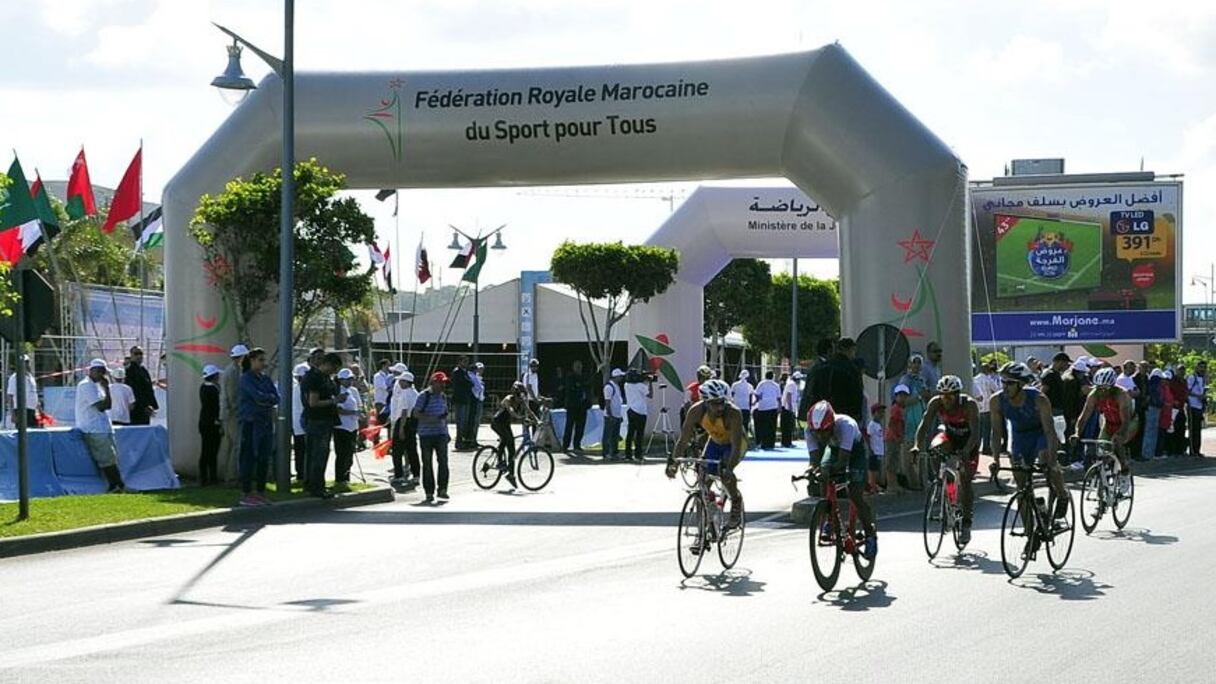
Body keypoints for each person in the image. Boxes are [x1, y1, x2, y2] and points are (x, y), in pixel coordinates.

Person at [990, 362, 1069, 533]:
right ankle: (1029, 533)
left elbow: (1049, 431)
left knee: (1046, 460)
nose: (1005, 387)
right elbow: (996, 433)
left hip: (1041, 433)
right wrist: (995, 460)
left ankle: (1062, 494)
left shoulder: (1039, 399)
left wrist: (1053, 460)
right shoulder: (996, 400)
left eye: (1010, 383)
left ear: (1021, 384)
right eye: (1002, 382)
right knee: (1021, 486)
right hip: (1020, 438)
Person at [666, 379, 746, 529]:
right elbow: (683, 440)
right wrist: (673, 463)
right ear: (706, 402)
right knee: (703, 477)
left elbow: (736, 446)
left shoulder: (734, 413)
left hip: (734, 444)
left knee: (724, 473)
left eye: (722, 402)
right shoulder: (696, 411)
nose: (720, 407)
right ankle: (705, 528)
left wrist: (728, 469)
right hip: (715, 442)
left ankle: (736, 501)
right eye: (715, 403)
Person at [911, 375, 981, 544]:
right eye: (943, 394)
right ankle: (942, 482)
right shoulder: (936, 402)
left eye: (949, 395)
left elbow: (976, 433)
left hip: (969, 440)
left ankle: (966, 523)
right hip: (949, 436)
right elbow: (924, 424)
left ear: (957, 394)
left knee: (965, 480)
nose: (946, 399)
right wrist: (916, 445)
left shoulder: (969, 405)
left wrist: (966, 451)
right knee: (935, 448)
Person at [804, 400, 877, 558]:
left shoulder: (846, 426)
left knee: (855, 494)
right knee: (823, 476)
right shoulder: (810, 430)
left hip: (855, 451)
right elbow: (814, 458)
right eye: (817, 432)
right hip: (834, 448)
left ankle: (871, 535)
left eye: (824, 431)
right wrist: (812, 470)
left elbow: (843, 461)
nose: (820, 436)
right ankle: (830, 519)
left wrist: (827, 470)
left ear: (831, 423)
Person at [1072, 367, 1135, 494]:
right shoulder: (1094, 394)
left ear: (1113, 386)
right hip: (1109, 423)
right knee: (1101, 449)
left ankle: (1124, 471)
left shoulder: (1121, 395)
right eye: (1099, 388)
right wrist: (1077, 433)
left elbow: (1126, 420)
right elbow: (1083, 417)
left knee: (1117, 443)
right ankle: (1103, 484)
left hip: (1128, 422)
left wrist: (1120, 434)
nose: (1102, 391)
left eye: (1106, 388)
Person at [236, 348, 279, 507]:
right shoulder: (245, 379)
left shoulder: (265, 379)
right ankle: (246, 492)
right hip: (250, 422)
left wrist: (266, 398)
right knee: (248, 457)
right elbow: (257, 396)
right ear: (252, 360)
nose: (263, 363)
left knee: (264, 457)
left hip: (266, 422)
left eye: (264, 360)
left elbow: (276, 397)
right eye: (260, 360)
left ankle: (261, 491)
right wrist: (266, 398)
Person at [75, 359, 125, 493]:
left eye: (104, 372)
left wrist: (106, 389)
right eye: (101, 372)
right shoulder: (86, 385)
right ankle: (116, 485)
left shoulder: (97, 385)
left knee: (111, 457)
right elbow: (103, 406)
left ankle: (118, 484)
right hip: (93, 427)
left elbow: (107, 405)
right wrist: (107, 390)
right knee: (106, 458)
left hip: (103, 426)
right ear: (92, 371)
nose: (103, 376)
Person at [302, 352, 343, 498]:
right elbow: (313, 402)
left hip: (325, 419)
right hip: (317, 420)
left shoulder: (325, 378)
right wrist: (334, 401)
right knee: (318, 454)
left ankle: (315, 484)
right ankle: (315, 486)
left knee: (320, 454)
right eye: (335, 368)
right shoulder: (315, 378)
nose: (335, 372)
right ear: (329, 364)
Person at [807, 337, 866, 424]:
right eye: (853, 351)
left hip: (824, 414)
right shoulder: (851, 369)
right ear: (849, 350)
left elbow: (814, 391)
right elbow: (857, 394)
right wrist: (857, 416)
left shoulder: (824, 367)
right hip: (845, 414)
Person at [492, 381, 539, 487]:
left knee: (512, 449)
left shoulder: (521, 400)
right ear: (514, 394)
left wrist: (537, 420)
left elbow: (529, 411)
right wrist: (520, 417)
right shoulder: (508, 399)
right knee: (506, 439)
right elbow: (511, 411)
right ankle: (499, 462)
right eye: (518, 395)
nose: (520, 398)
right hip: (497, 423)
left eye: (522, 395)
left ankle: (511, 475)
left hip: (506, 424)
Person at [415, 372, 452, 503]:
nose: (443, 385)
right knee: (427, 464)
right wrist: (430, 419)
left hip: (440, 433)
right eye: (440, 382)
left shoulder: (443, 396)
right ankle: (429, 492)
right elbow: (416, 413)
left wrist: (447, 432)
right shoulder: (423, 396)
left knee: (443, 462)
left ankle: (442, 489)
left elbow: (444, 415)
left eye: (444, 383)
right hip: (426, 434)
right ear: (433, 382)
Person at [218, 344, 249, 482]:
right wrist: (239, 410)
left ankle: (228, 475)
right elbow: (233, 395)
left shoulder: (233, 370)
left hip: (228, 413)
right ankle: (232, 476)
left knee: (230, 445)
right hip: (232, 413)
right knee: (237, 445)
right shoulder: (232, 372)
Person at [389, 371, 420, 488]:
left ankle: (399, 475)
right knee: (412, 450)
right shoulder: (415, 393)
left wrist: (401, 429)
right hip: (412, 423)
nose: (399, 383)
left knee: (397, 451)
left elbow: (403, 412)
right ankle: (416, 474)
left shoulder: (404, 394)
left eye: (401, 380)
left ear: (406, 382)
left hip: (403, 422)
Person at [333, 368, 361, 490]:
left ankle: (347, 476)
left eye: (351, 379)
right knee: (341, 453)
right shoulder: (337, 391)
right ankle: (340, 478)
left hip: (352, 426)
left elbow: (359, 405)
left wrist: (360, 414)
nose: (350, 382)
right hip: (341, 426)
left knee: (350, 453)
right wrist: (353, 412)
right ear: (340, 380)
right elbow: (338, 410)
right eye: (347, 379)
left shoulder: (353, 391)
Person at [971, 358, 1002, 455]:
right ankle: (986, 447)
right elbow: (997, 390)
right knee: (987, 430)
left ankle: (976, 447)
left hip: (977, 407)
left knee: (978, 430)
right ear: (987, 370)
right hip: (987, 407)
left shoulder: (974, 380)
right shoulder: (989, 380)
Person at [198, 364, 222, 486]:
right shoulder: (213, 389)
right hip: (212, 423)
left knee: (206, 450)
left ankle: (205, 477)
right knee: (212, 451)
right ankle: (211, 477)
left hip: (203, 422)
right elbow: (215, 407)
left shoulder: (203, 387)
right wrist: (218, 420)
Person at [561, 360, 592, 454]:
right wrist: (579, 387)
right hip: (572, 406)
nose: (579, 368)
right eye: (577, 366)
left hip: (582, 407)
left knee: (580, 427)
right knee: (569, 427)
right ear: (573, 367)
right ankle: (565, 446)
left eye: (580, 366)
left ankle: (577, 445)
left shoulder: (584, 377)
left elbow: (587, 388)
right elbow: (572, 389)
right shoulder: (570, 377)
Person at [124, 345, 159, 425]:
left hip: (144, 408)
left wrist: (152, 404)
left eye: (141, 353)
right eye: (136, 354)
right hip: (137, 408)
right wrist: (145, 405)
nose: (139, 356)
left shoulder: (142, 370)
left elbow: (148, 389)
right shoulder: (131, 370)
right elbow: (135, 390)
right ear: (131, 355)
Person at [623, 369, 653, 460]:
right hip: (640, 411)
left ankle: (628, 454)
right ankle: (638, 454)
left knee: (630, 433)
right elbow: (650, 395)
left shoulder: (626, 385)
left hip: (630, 410)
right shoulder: (641, 386)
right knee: (639, 434)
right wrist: (650, 383)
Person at [885, 385, 910, 494]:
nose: (903, 398)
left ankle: (895, 484)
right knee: (891, 462)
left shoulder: (901, 409)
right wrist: (896, 437)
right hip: (892, 438)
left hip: (897, 439)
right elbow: (892, 424)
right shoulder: (895, 409)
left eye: (905, 396)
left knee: (895, 463)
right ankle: (891, 485)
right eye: (900, 396)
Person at [6, 356, 39, 429]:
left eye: (27, 362)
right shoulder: (14, 378)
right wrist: (12, 414)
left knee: (34, 432)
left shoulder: (30, 377)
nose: (26, 364)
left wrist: (38, 409)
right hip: (21, 410)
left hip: (32, 409)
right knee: (23, 434)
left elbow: (34, 393)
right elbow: (10, 396)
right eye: (24, 362)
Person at [753, 371, 781, 449]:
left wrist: (757, 401)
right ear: (772, 377)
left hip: (763, 407)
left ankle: (763, 443)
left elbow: (757, 394)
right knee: (772, 426)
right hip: (773, 407)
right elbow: (778, 397)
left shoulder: (761, 384)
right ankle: (771, 443)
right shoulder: (776, 385)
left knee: (763, 426)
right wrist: (779, 407)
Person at [450, 355, 474, 450]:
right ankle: (459, 442)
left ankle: (463, 441)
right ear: (459, 362)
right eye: (464, 361)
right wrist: (469, 383)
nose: (466, 363)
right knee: (460, 422)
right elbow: (466, 383)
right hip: (460, 399)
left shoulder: (465, 372)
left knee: (464, 422)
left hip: (465, 399)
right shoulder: (457, 372)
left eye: (467, 361)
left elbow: (470, 382)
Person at [291, 362, 309, 482]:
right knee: (302, 450)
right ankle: (302, 474)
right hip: (302, 423)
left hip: (297, 424)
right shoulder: (301, 389)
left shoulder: (295, 389)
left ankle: (301, 473)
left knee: (300, 450)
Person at [1142, 368, 1165, 462]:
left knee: (1152, 431)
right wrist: (1160, 403)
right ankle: (1147, 454)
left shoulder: (1151, 384)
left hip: (1154, 408)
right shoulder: (1153, 385)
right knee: (1150, 431)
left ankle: (1149, 454)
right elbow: (1155, 397)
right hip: (1152, 408)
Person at [602, 368, 625, 460]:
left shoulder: (616, 386)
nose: (621, 378)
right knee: (607, 435)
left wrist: (619, 415)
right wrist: (610, 415)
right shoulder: (609, 387)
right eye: (620, 376)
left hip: (617, 415)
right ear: (616, 377)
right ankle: (606, 453)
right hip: (610, 416)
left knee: (615, 436)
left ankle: (615, 452)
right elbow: (607, 402)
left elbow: (617, 401)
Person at [1186, 361, 1207, 457]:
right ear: (1197, 368)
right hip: (1192, 406)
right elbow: (1187, 391)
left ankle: (1197, 450)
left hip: (1199, 407)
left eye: (1204, 367)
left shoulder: (1203, 379)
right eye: (1201, 367)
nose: (1202, 369)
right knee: (1192, 429)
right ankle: (1192, 450)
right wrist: (1198, 395)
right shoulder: (1192, 378)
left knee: (1198, 429)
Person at [866, 403, 885, 493]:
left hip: (879, 451)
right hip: (874, 450)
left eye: (882, 412)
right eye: (879, 412)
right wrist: (870, 449)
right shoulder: (872, 425)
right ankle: (872, 486)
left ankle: (875, 485)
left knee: (877, 469)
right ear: (874, 413)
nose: (881, 414)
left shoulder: (879, 425)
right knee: (872, 469)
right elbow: (868, 437)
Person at [780, 371, 802, 448]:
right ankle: (786, 442)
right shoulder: (791, 384)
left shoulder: (792, 384)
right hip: (787, 408)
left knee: (789, 426)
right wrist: (790, 407)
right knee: (787, 426)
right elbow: (788, 395)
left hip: (790, 408)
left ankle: (787, 442)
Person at [730, 370, 755, 438]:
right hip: (745, 408)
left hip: (736, 407)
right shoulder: (750, 386)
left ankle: (736, 438)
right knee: (745, 424)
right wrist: (750, 408)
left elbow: (731, 395)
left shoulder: (735, 385)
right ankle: (745, 439)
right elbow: (750, 398)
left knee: (736, 424)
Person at [372, 359, 395, 431]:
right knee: (378, 422)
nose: (389, 367)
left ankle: (389, 440)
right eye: (388, 365)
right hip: (380, 402)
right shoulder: (378, 376)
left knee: (389, 423)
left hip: (388, 402)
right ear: (383, 365)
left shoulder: (389, 376)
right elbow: (386, 388)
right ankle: (376, 440)